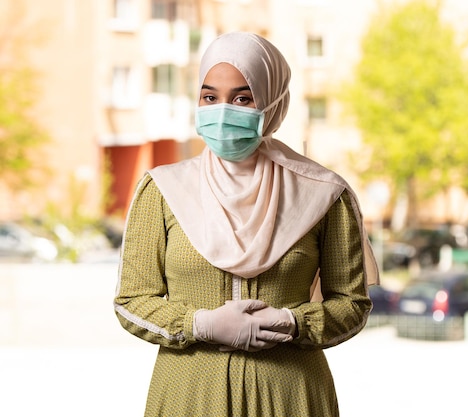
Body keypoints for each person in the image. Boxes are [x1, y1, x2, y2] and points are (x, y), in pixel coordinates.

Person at [114, 31, 379, 417]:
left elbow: (352, 306)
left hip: (292, 397)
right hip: (188, 397)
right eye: (210, 97)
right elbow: (130, 302)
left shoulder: (322, 194)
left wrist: (292, 323)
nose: (223, 110)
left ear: (272, 102)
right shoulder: (163, 190)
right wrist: (199, 324)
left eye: (242, 98)